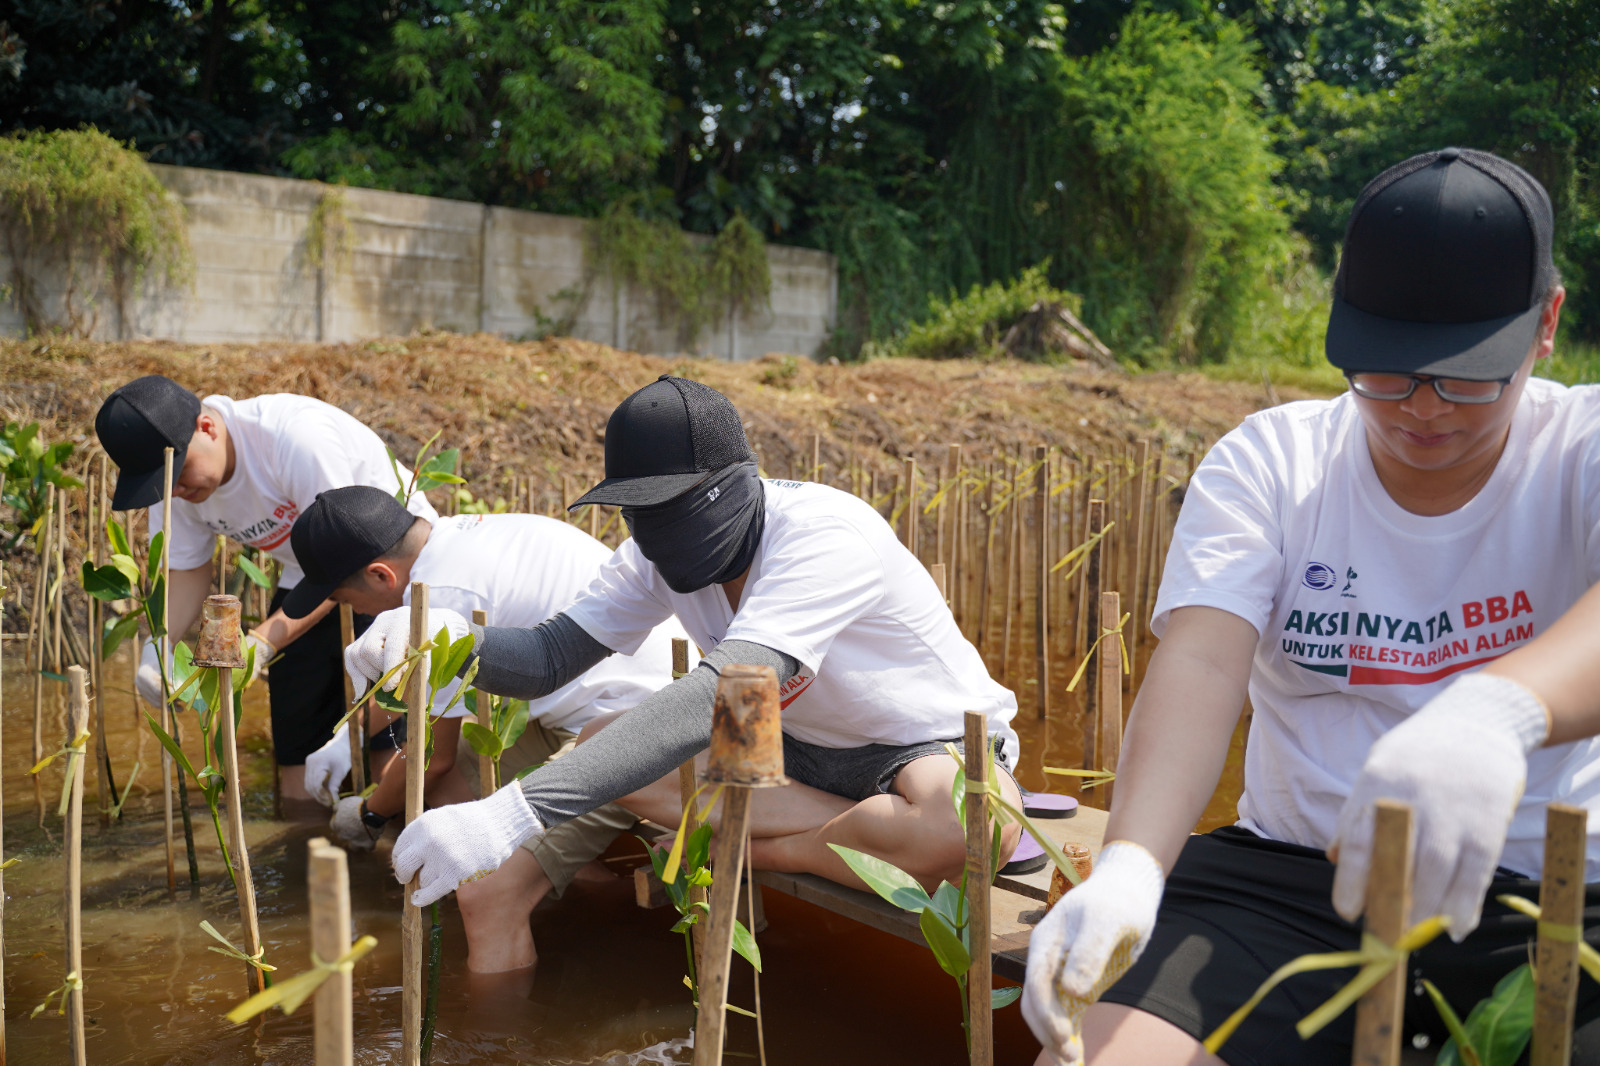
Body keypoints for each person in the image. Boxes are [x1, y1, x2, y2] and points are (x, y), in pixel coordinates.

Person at [1021, 146, 1600, 1066]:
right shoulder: (1273, 463)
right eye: (1385, 372)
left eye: (1466, 377)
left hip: (1545, 894)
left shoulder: (1582, 450)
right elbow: (1205, 662)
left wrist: (1499, 713)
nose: (1422, 409)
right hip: (1294, 880)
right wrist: (1131, 863)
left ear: (1545, 327)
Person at [340, 374, 1025, 921]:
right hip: (781, 748)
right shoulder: (649, 555)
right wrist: (447, 644)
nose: (656, 534)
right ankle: (824, 842)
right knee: (610, 736)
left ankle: (770, 854)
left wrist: (514, 811)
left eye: (675, 507)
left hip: (922, 748)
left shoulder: (824, 534)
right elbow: (551, 656)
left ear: (735, 485)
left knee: (967, 827)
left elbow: (723, 687)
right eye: (638, 513)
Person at [286, 484, 687, 972]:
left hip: (639, 728)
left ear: (379, 574)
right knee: (471, 778)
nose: (358, 614)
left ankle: (500, 1032)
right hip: (579, 708)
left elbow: (434, 763)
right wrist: (341, 743)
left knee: (484, 895)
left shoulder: (437, 598)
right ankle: (567, 879)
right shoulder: (454, 540)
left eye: (347, 600)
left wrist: (367, 814)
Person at [95, 375, 437, 803]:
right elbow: (186, 570)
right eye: (165, 484)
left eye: (180, 474)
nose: (177, 491)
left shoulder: (293, 440)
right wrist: (159, 645)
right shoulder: (176, 488)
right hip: (309, 580)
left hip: (388, 570)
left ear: (207, 427)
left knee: (386, 746)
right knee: (297, 758)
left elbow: (348, 561)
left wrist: (260, 642)